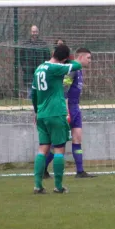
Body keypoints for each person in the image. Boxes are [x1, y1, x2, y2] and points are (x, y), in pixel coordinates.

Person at [31, 44, 82, 194]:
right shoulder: (56, 68)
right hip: (56, 112)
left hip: (41, 114)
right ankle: (58, 186)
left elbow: (33, 94)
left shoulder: (39, 68)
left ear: (53, 53)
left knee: (42, 149)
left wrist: (36, 112)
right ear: (64, 58)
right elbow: (77, 65)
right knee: (59, 148)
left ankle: (37, 185)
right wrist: (68, 61)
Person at [44, 48, 95, 179]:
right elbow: (64, 90)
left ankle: (80, 171)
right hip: (67, 108)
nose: (90, 61)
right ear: (81, 57)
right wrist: (66, 111)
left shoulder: (79, 70)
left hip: (75, 107)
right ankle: (42, 168)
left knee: (77, 138)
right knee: (58, 142)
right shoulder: (71, 70)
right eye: (88, 58)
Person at [20, 25, 50, 98]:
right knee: (30, 91)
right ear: (30, 32)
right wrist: (25, 67)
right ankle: (30, 104)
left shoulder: (43, 44)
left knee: (40, 90)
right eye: (33, 31)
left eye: (36, 31)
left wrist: (44, 67)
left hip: (41, 70)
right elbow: (21, 58)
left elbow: (47, 57)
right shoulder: (25, 45)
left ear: (38, 32)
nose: (34, 33)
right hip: (29, 71)